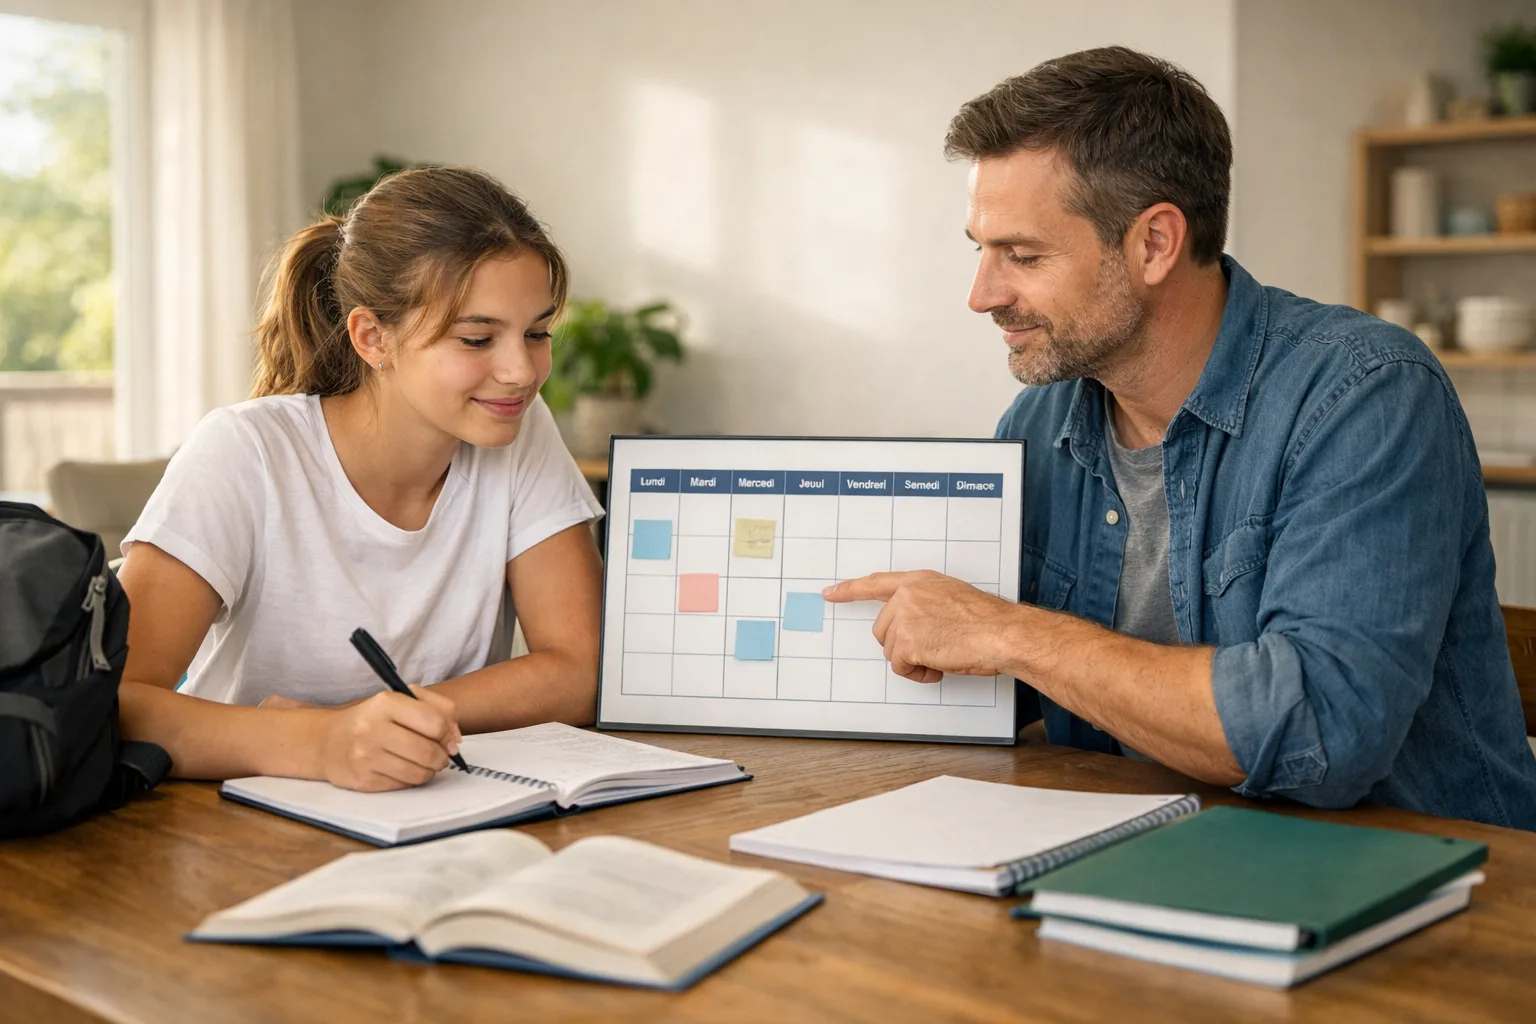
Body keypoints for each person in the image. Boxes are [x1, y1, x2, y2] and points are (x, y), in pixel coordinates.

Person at [825, 46, 1536, 828]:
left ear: (1155, 243)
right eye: (981, 250)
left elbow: (1323, 733)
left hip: (1417, 869)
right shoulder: (1039, 420)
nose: (982, 294)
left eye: (1022, 255)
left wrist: (1008, 632)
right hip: (1136, 844)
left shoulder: (1367, 394)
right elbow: (1005, 687)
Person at [118, 167, 604, 792]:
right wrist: (321, 743)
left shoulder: (519, 430)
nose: (521, 371)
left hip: (433, 809)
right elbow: (117, 702)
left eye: (536, 333)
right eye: (477, 338)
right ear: (373, 338)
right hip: (227, 815)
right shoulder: (245, 451)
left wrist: (370, 724)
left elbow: (579, 671)